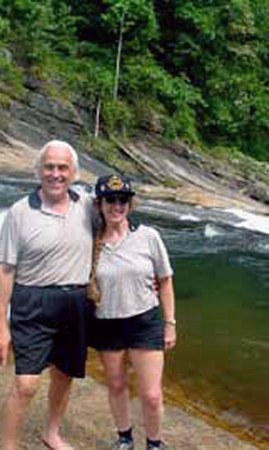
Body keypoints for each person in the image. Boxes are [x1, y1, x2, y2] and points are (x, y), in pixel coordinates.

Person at [0, 140, 95, 450]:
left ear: (74, 172)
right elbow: (4, 270)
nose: (55, 174)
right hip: (32, 302)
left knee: (64, 376)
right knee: (26, 384)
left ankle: (52, 433)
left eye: (63, 167)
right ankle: (8, 445)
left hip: (76, 303)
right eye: (49, 167)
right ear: (39, 171)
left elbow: (119, 226)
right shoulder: (19, 212)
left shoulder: (88, 205)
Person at [90, 174, 176, 450]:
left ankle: (154, 443)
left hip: (144, 322)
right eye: (110, 200)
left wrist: (170, 323)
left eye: (123, 200)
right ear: (99, 204)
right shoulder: (90, 243)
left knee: (151, 395)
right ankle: (125, 437)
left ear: (130, 204)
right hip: (106, 323)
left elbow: (165, 279)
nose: (117, 205)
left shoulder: (148, 236)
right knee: (116, 386)